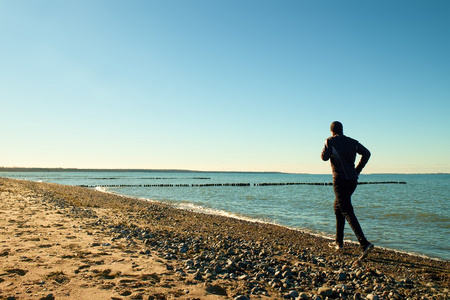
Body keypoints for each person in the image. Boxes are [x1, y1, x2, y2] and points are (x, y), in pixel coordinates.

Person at [321, 121, 374, 259]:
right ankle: (339, 243)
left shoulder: (330, 141)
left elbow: (324, 158)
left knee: (346, 210)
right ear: (342, 130)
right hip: (352, 180)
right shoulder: (352, 141)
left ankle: (364, 243)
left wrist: (327, 144)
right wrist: (358, 170)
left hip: (339, 180)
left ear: (331, 131)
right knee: (337, 207)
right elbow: (367, 153)